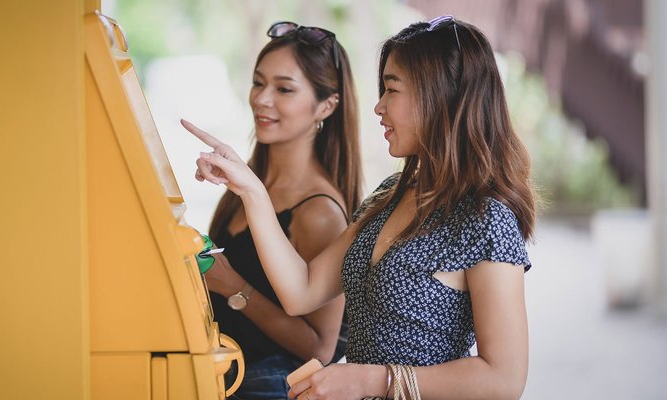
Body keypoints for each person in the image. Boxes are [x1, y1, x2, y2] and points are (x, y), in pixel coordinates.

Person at [186, 14, 536, 400]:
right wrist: (250, 190)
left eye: (392, 90)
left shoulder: (485, 219)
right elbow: (301, 290)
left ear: (438, 95)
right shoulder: (391, 195)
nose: (378, 107)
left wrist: (372, 380)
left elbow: (504, 379)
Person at [201, 21, 362, 399]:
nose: (261, 99)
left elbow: (320, 348)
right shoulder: (249, 182)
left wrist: (234, 288)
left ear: (327, 105)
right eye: (259, 83)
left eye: (284, 89)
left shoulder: (318, 212)